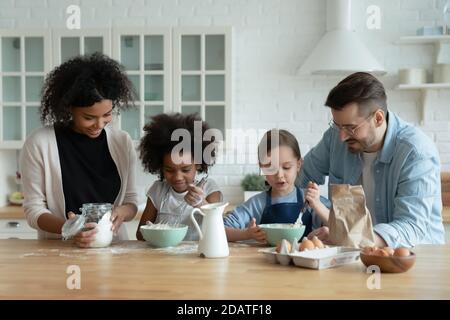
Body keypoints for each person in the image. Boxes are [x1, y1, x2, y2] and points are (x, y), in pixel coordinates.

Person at [297, 72, 445, 248]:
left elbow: (411, 227)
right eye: (338, 126)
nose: (342, 136)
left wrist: (349, 238)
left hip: (415, 259)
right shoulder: (335, 137)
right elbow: (301, 177)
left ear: (378, 118)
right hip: (354, 255)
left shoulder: (416, 152)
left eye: (351, 128)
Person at [20, 53, 138, 247]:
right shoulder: (39, 143)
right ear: (68, 109)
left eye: (107, 114)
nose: (99, 124)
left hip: (114, 250)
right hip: (58, 252)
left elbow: (131, 201)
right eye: (89, 117)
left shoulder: (122, 142)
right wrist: (69, 228)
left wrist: (123, 213)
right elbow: (34, 211)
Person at [224, 129, 326, 243]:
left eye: (286, 167)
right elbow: (221, 229)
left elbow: (340, 226)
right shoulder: (257, 204)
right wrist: (247, 234)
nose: (279, 175)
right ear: (262, 167)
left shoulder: (311, 200)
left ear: (298, 165)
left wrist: (318, 205)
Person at [136, 113, 223, 241]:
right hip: (162, 257)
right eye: (169, 170)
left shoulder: (209, 188)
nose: (177, 177)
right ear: (160, 166)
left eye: (185, 169)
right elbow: (140, 234)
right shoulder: (158, 190)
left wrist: (201, 204)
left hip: (198, 257)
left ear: (198, 164)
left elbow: (219, 229)